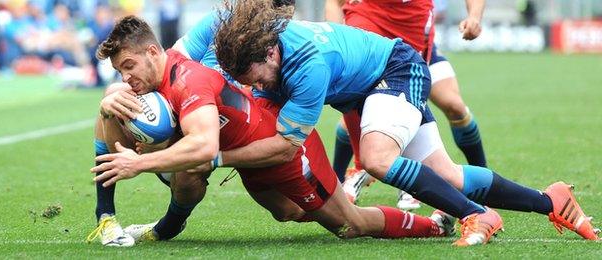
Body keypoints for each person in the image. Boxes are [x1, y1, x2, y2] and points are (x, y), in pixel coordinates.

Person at [213, 0, 600, 243]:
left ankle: (477, 215)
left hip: (396, 72)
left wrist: (215, 157)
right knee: (447, 177)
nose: (258, 87)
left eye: (258, 77)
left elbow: (286, 143)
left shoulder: (306, 65)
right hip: (368, 89)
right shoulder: (270, 50)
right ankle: (551, 200)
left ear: (269, 52)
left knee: (377, 159)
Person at [89, 15, 458, 246]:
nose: (127, 78)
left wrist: (138, 165)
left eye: (129, 67)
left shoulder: (190, 80)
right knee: (288, 213)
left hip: (281, 152)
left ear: (153, 53)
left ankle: (433, 227)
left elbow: (203, 148)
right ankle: (110, 219)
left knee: (350, 225)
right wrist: (111, 94)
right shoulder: (175, 60)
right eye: (121, 71)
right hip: (246, 149)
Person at [325, 0, 488, 210]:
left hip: (414, 38)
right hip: (373, 26)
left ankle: (481, 182)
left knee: (453, 105)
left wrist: (474, 16)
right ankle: (347, 177)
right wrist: (338, 38)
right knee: (363, 102)